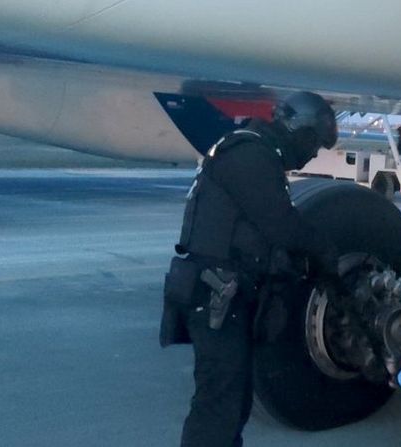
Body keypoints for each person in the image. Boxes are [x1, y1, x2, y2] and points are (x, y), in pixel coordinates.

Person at [159, 91, 340, 447]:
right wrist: (326, 251)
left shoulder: (253, 151)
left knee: (233, 401)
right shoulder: (250, 154)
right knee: (219, 404)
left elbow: (258, 235)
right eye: (314, 143)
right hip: (215, 296)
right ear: (298, 130)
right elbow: (280, 225)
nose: (313, 153)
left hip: (222, 296)